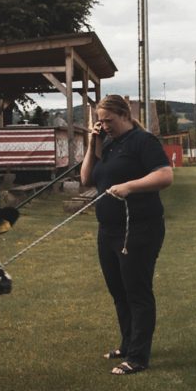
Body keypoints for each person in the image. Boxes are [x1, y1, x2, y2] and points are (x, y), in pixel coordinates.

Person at [81, 95, 174, 375]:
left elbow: (165, 176)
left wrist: (130, 186)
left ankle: (138, 356)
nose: (104, 125)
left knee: (137, 292)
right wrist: (91, 144)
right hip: (108, 230)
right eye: (100, 121)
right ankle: (127, 343)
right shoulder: (107, 144)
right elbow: (87, 178)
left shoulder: (143, 142)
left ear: (124, 115)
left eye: (109, 120)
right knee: (118, 291)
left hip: (139, 229)